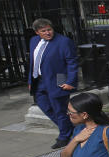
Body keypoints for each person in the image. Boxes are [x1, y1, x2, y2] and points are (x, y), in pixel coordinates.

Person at [28, 18, 78, 149]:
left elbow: (72, 62)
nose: (47, 33)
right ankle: (70, 128)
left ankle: (64, 137)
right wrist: (30, 80)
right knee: (45, 106)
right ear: (37, 32)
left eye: (49, 29)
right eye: (43, 31)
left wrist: (70, 81)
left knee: (60, 109)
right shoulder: (34, 41)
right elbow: (33, 62)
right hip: (38, 81)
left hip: (58, 79)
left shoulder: (63, 42)